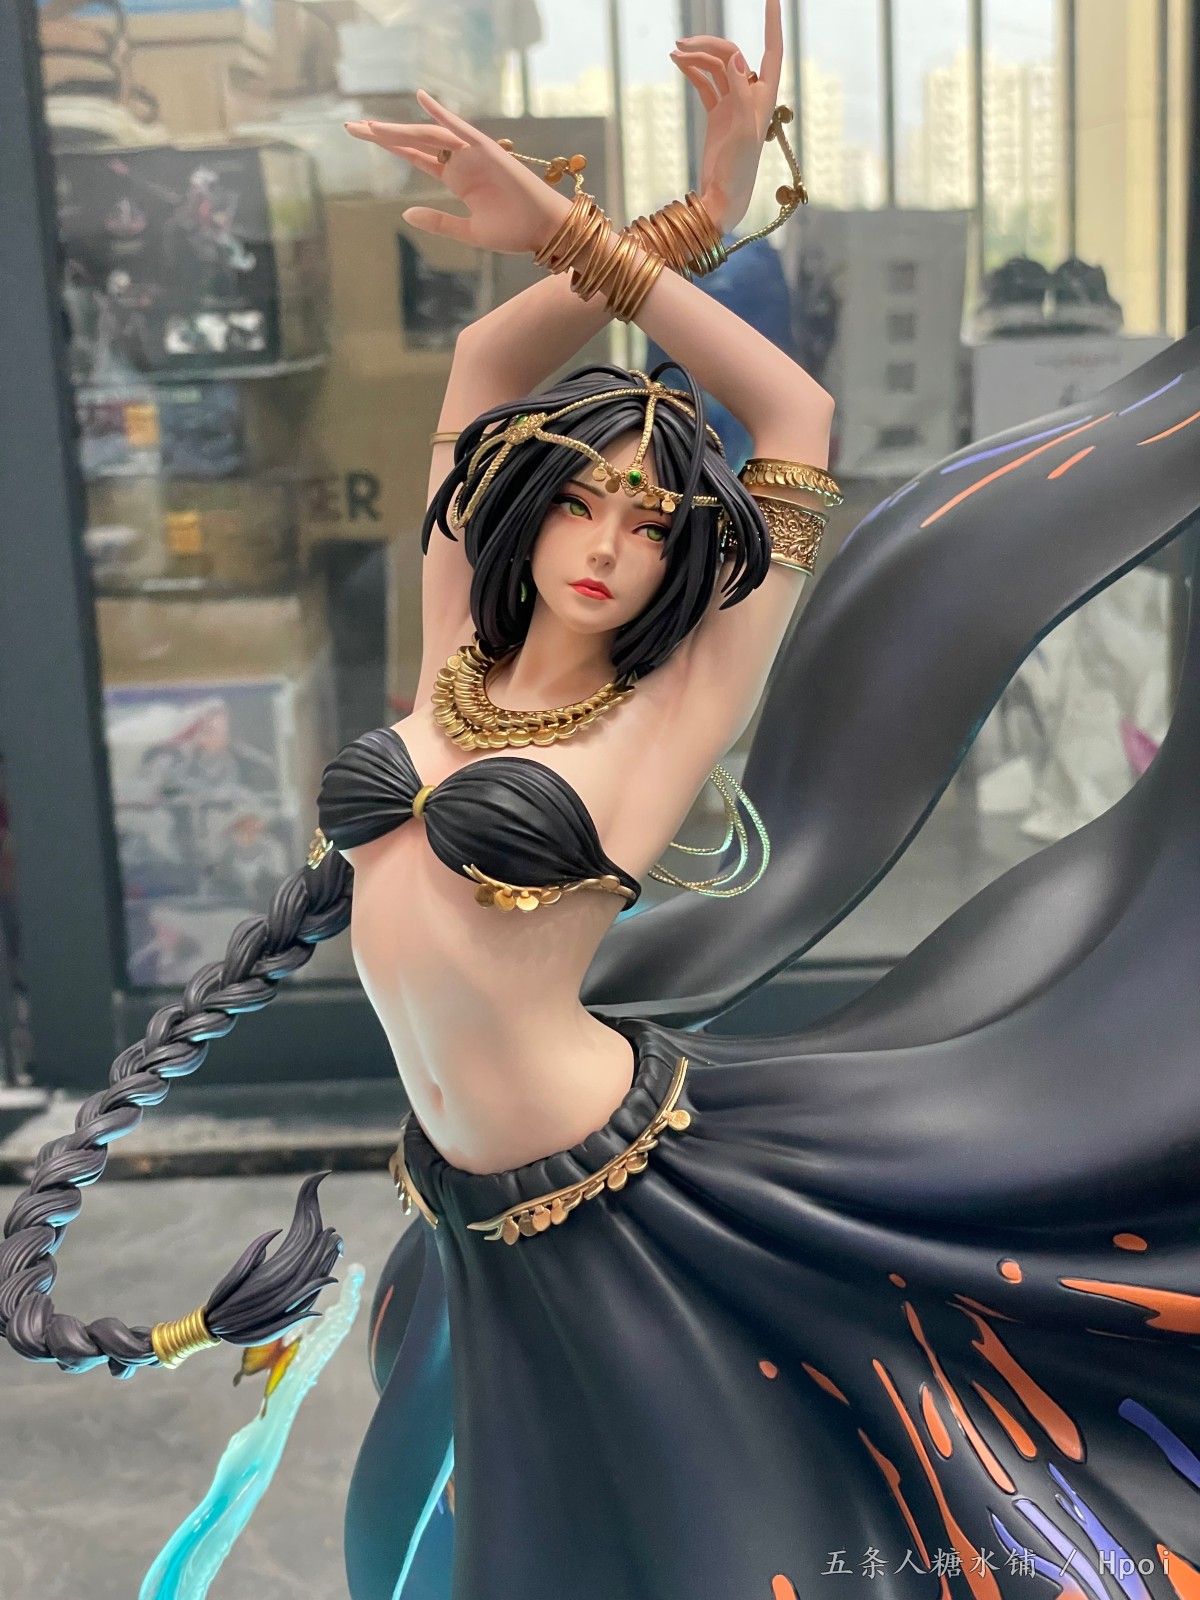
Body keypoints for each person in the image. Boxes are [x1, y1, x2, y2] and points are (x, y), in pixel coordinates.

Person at [6, 7, 1200, 1598]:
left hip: (618, 1196)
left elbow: (797, 421)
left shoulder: (666, 714)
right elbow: (487, 364)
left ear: (681, 552)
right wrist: (684, 216)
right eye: (577, 500)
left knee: (716, 1540)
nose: (605, 541)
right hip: (468, 1200)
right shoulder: (453, 653)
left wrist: (597, 235)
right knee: (499, 1534)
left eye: (646, 521)